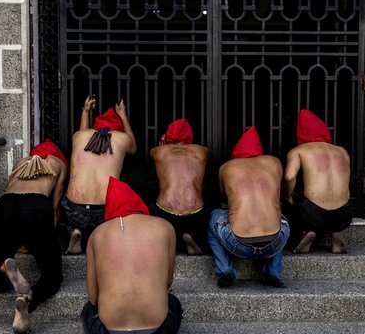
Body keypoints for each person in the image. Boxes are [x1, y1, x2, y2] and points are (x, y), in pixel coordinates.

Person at [81, 176, 183, 334]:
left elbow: (93, 298)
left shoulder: (97, 234)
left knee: (88, 311)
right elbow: (167, 283)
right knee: (173, 304)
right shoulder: (165, 227)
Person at [0, 139, 68, 334]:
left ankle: (5, 265)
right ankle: (26, 300)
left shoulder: (21, 162)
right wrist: (47, 242)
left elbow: (15, 200)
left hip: (3, 207)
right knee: (52, 276)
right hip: (37, 208)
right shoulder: (58, 165)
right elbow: (55, 209)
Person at [207, 126, 290, 288]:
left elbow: (224, 197)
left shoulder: (227, 168)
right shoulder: (274, 162)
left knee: (213, 216)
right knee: (280, 217)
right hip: (275, 241)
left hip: (237, 243)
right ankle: (274, 271)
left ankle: (224, 269)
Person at [62, 95, 137, 254]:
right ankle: (102, 236)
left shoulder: (79, 136)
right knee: (116, 213)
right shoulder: (123, 139)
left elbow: (83, 131)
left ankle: (74, 230)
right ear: (117, 129)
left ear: (94, 128)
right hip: (104, 212)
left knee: (65, 202)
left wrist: (85, 112)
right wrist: (123, 115)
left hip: (74, 210)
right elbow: (133, 147)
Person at [284, 109, 353, 254]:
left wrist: (289, 196)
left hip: (313, 214)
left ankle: (307, 230)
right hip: (344, 214)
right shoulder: (342, 151)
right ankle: (336, 232)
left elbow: (289, 177)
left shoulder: (299, 150)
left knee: (294, 200)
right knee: (335, 201)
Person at [150, 118, 209, 255]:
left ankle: (165, 240)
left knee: (150, 208)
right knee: (209, 210)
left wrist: (163, 143)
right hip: (194, 216)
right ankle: (191, 236)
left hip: (165, 214)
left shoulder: (157, 151)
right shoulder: (202, 151)